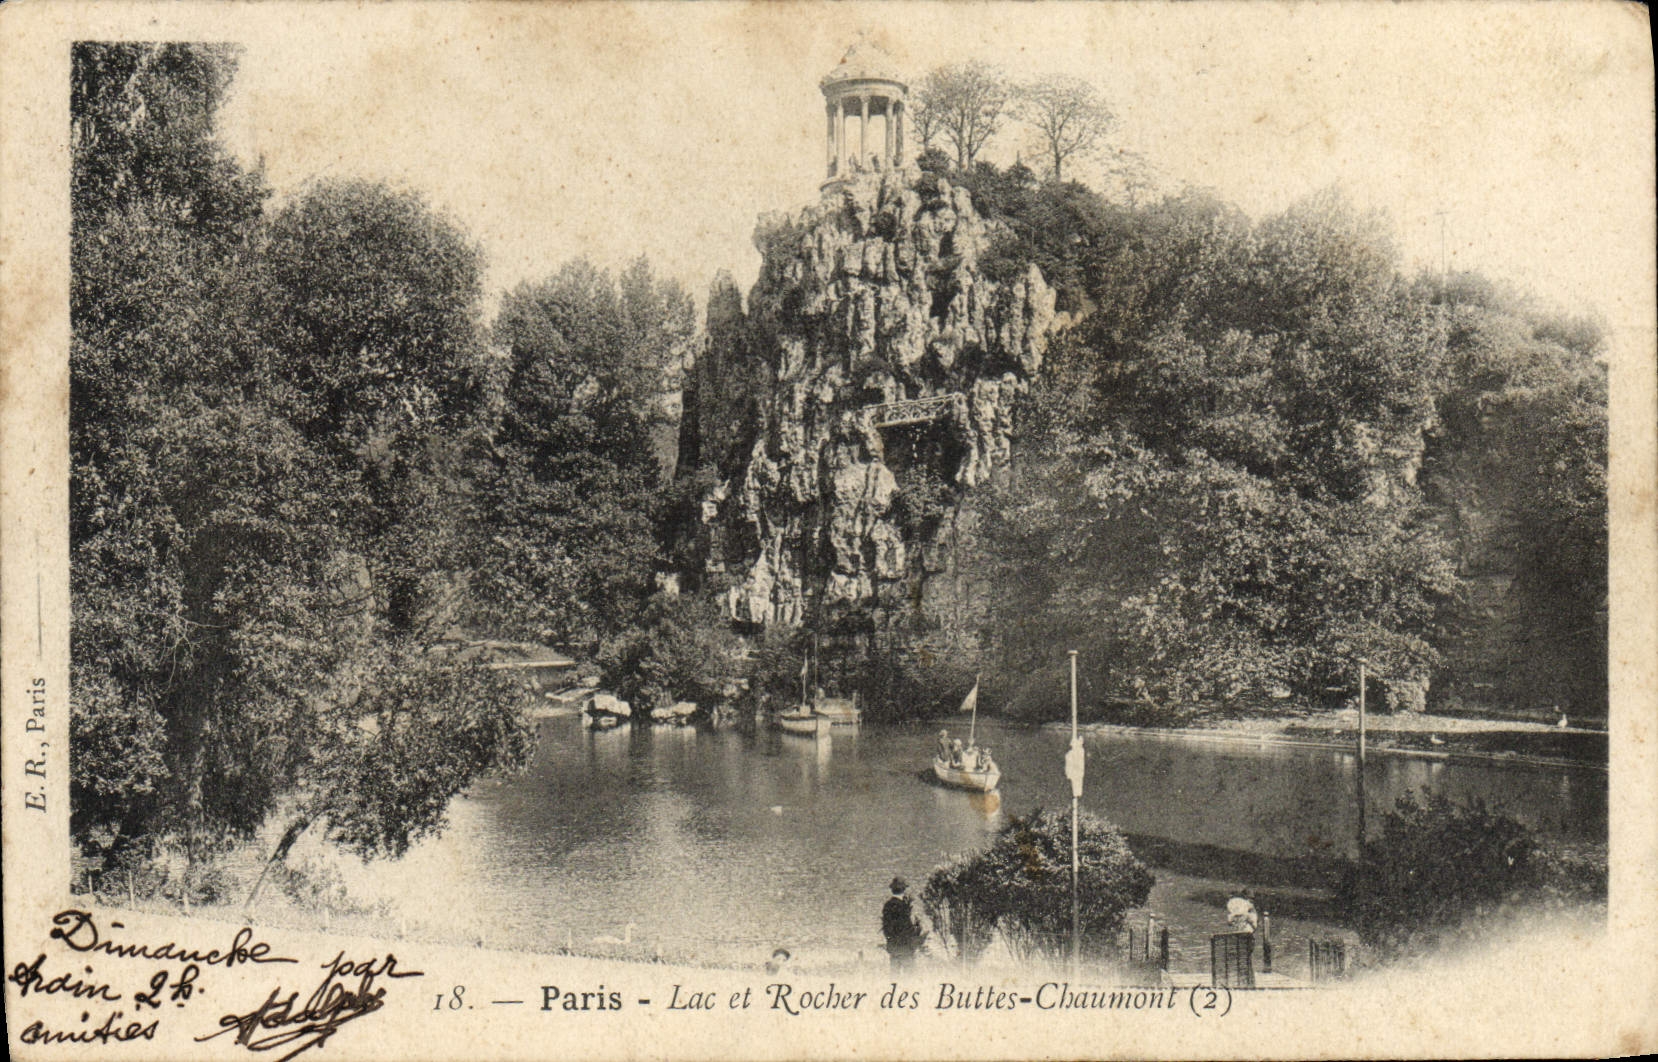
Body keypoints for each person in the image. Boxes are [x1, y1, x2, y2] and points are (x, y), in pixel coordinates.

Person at [881, 877, 925, 971]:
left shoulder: (887, 905)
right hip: (905, 947)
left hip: (893, 947)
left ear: (892, 890)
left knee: (894, 975)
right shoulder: (903, 906)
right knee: (909, 976)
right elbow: (906, 928)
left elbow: (886, 929)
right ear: (904, 890)